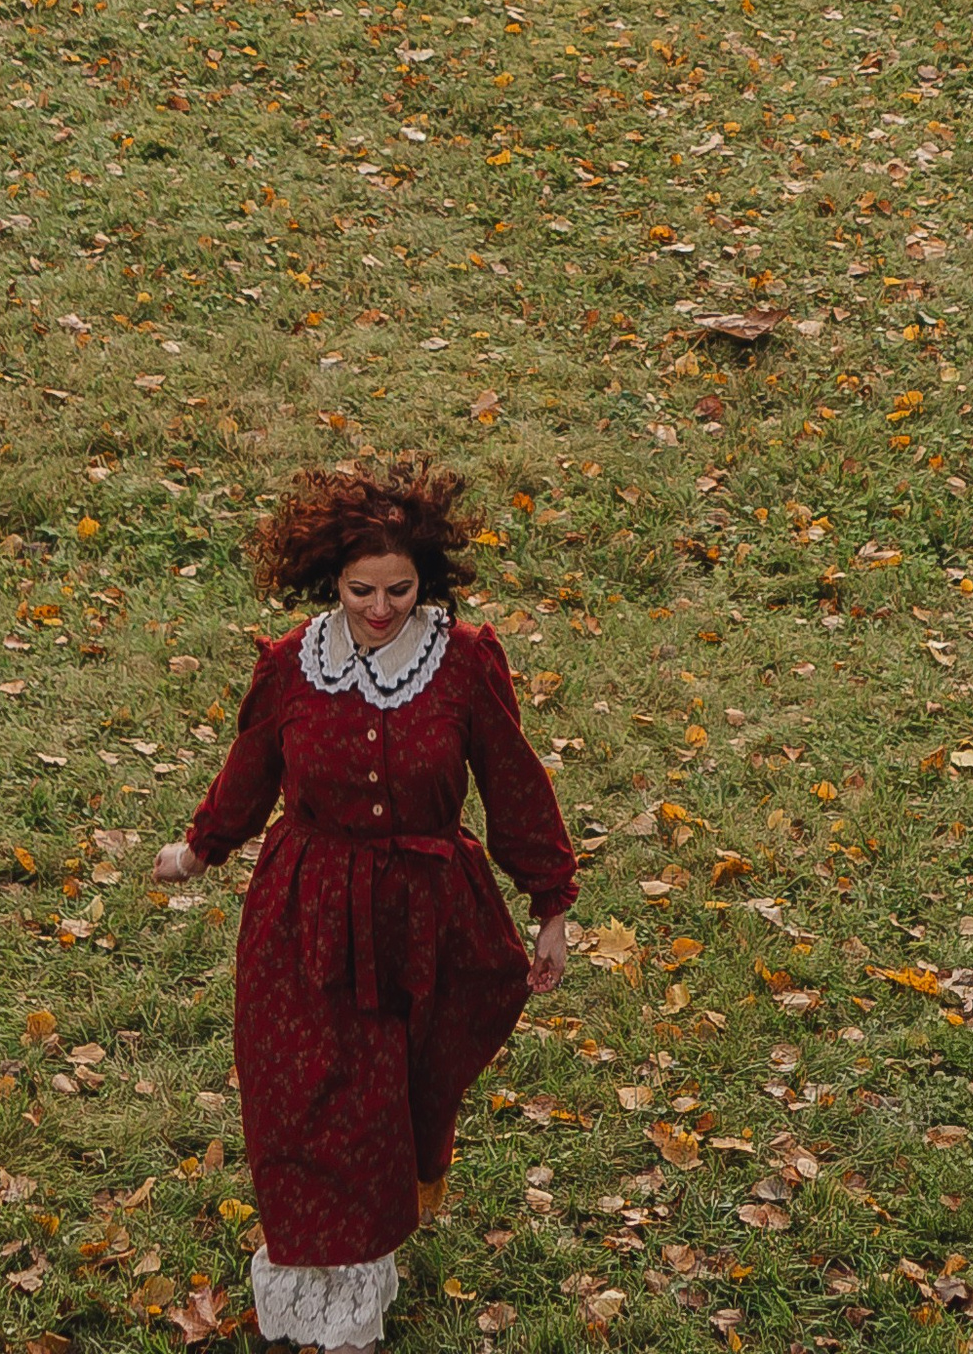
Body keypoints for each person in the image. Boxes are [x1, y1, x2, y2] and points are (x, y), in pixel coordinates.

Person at [153, 453, 577, 1353]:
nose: (382, 609)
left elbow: (514, 783)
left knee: (390, 1104)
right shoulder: (292, 667)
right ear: (330, 581)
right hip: (303, 914)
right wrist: (200, 846)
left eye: (400, 589)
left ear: (427, 580)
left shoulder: (462, 664)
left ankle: (361, 1277)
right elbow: (251, 773)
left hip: (424, 921)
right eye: (361, 591)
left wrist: (552, 905)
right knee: (300, 1096)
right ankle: (311, 1292)